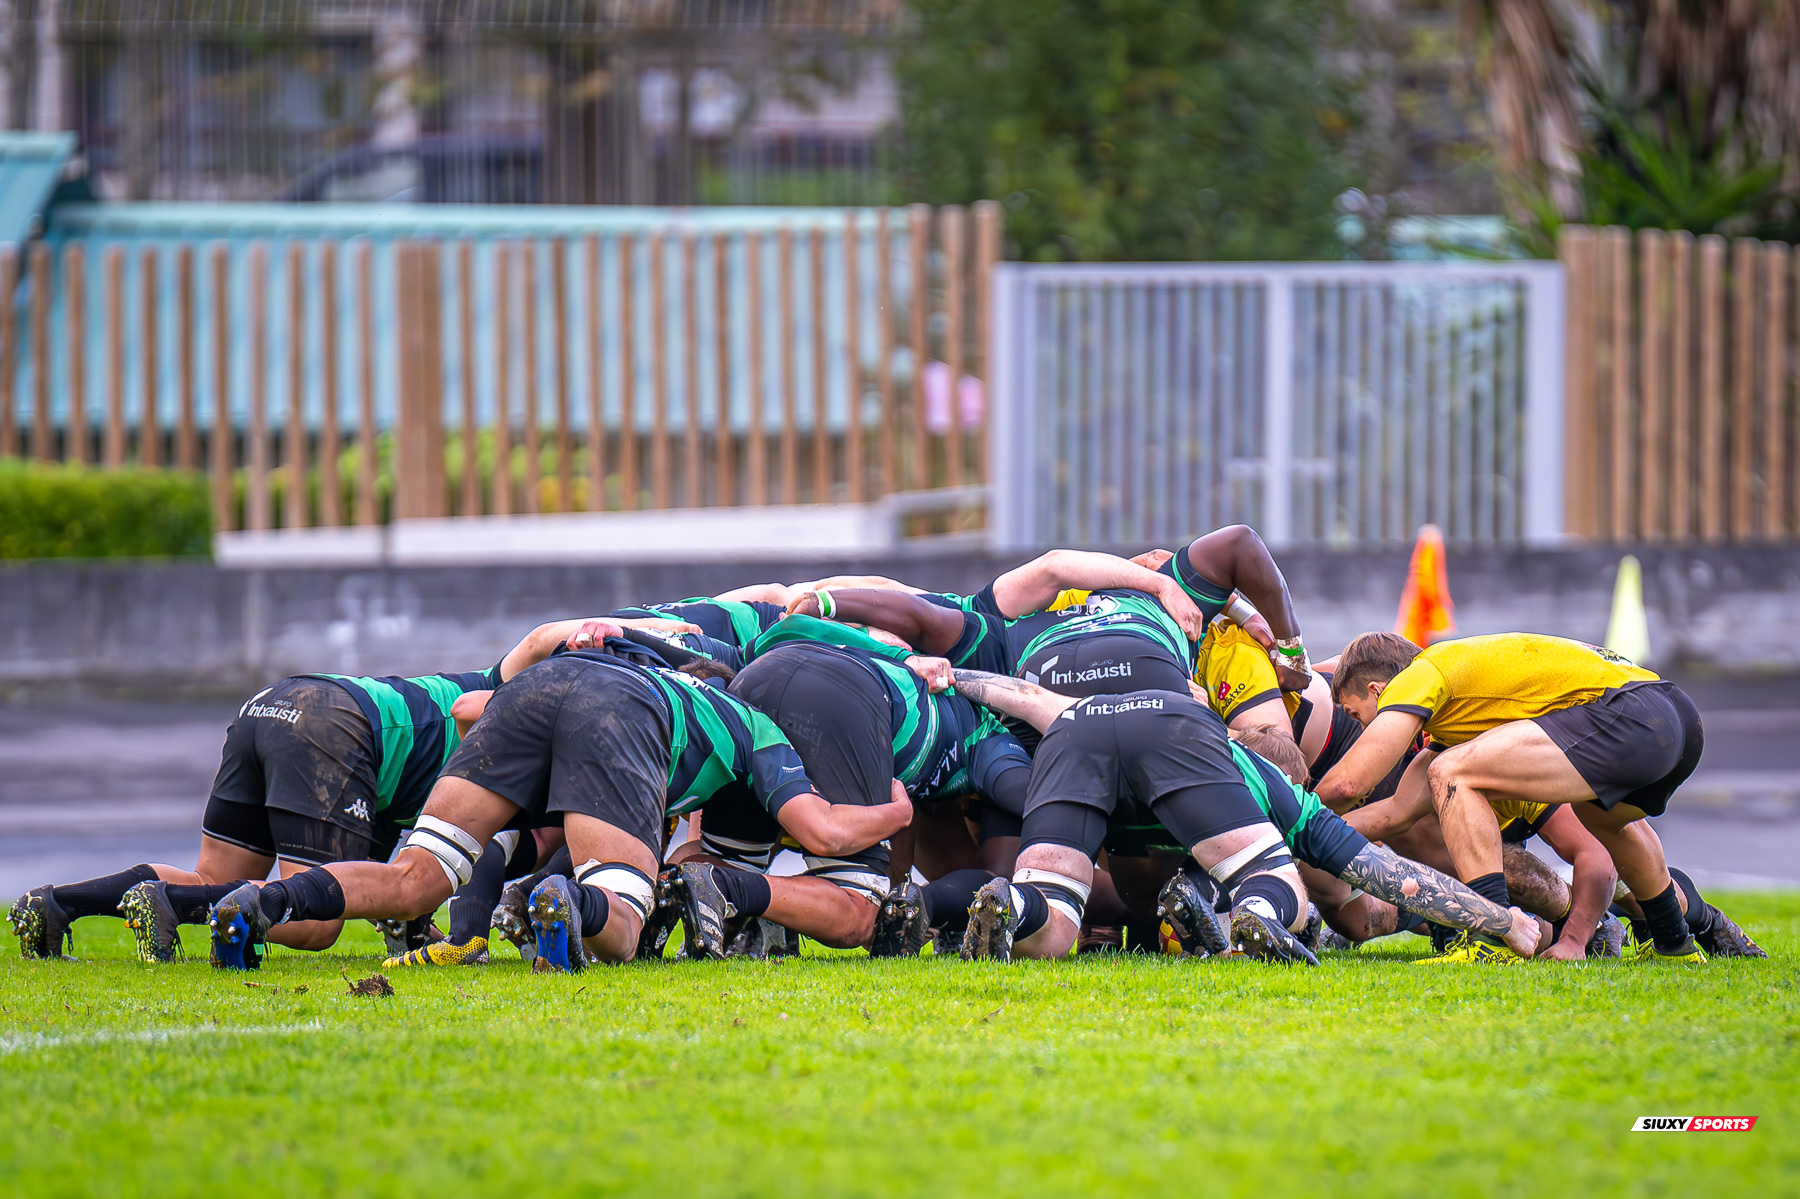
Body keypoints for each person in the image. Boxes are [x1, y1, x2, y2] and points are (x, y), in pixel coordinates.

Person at [201, 630, 912, 972]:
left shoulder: (637, 672)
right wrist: (895, 811)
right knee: (624, 928)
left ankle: (265, 905)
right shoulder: (743, 721)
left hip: (542, 688)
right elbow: (817, 829)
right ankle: (571, 905)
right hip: (619, 713)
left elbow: (472, 710)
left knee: (415, 879)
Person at [5, 615, 678, 964]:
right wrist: (596, 631)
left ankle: (60, 903)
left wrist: (418, 926)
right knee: (316, 922)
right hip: (334, 727)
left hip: (274, 703)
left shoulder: (486, 701)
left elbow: (400, 868)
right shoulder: (504, 705)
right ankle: (165, 901)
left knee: (220, 873)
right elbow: (539, 639)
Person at [1316, 631, 1708, 964]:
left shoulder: (1423, 672)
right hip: (1676, 719)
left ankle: (1493, 938)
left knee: (1453, 771)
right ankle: (1674, 942)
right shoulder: (1460, 718)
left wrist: (1285, 809)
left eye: (1355, 714)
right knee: (1606, 821)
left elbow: (1349, 784)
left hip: (1631, 712)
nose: (1362, 727)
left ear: (1378, 691)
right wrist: (1305, 836)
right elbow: (1395, 814)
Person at [667, 616, 1031, 960]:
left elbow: (790, 624)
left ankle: (645, 893)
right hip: (840, 704)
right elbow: (1039, 802)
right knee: (860, 911)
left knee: (730, 859)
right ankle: (733, 892)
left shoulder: (877, 659)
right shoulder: (993, 736)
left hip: (756, 679)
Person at [944, 670, 1321, 964]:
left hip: (1066, 787)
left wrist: (942, 672)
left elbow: (1029, 698)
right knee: (1248, 874)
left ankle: (1012, 903)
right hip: (1115, 840)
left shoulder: (1183, 729)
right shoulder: (1220, 769)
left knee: (1056, 899)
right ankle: (1204, 906)